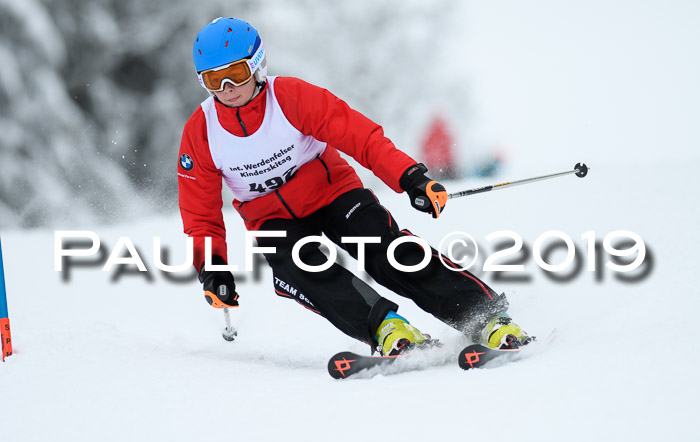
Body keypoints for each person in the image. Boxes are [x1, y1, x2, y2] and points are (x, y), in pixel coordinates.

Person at [178, 17, 531, 356]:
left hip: (333, 193)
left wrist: (409, 178)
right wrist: (213, 267)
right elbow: (201, 212)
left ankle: (485, 317)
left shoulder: (291, 98)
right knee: (298, 267)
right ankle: (387, 328)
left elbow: (360, 137)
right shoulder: (201, 132)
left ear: (257, 65)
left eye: (235, 74)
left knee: (381, 247)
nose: (227, 89)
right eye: (213, 80)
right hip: (271, 219)